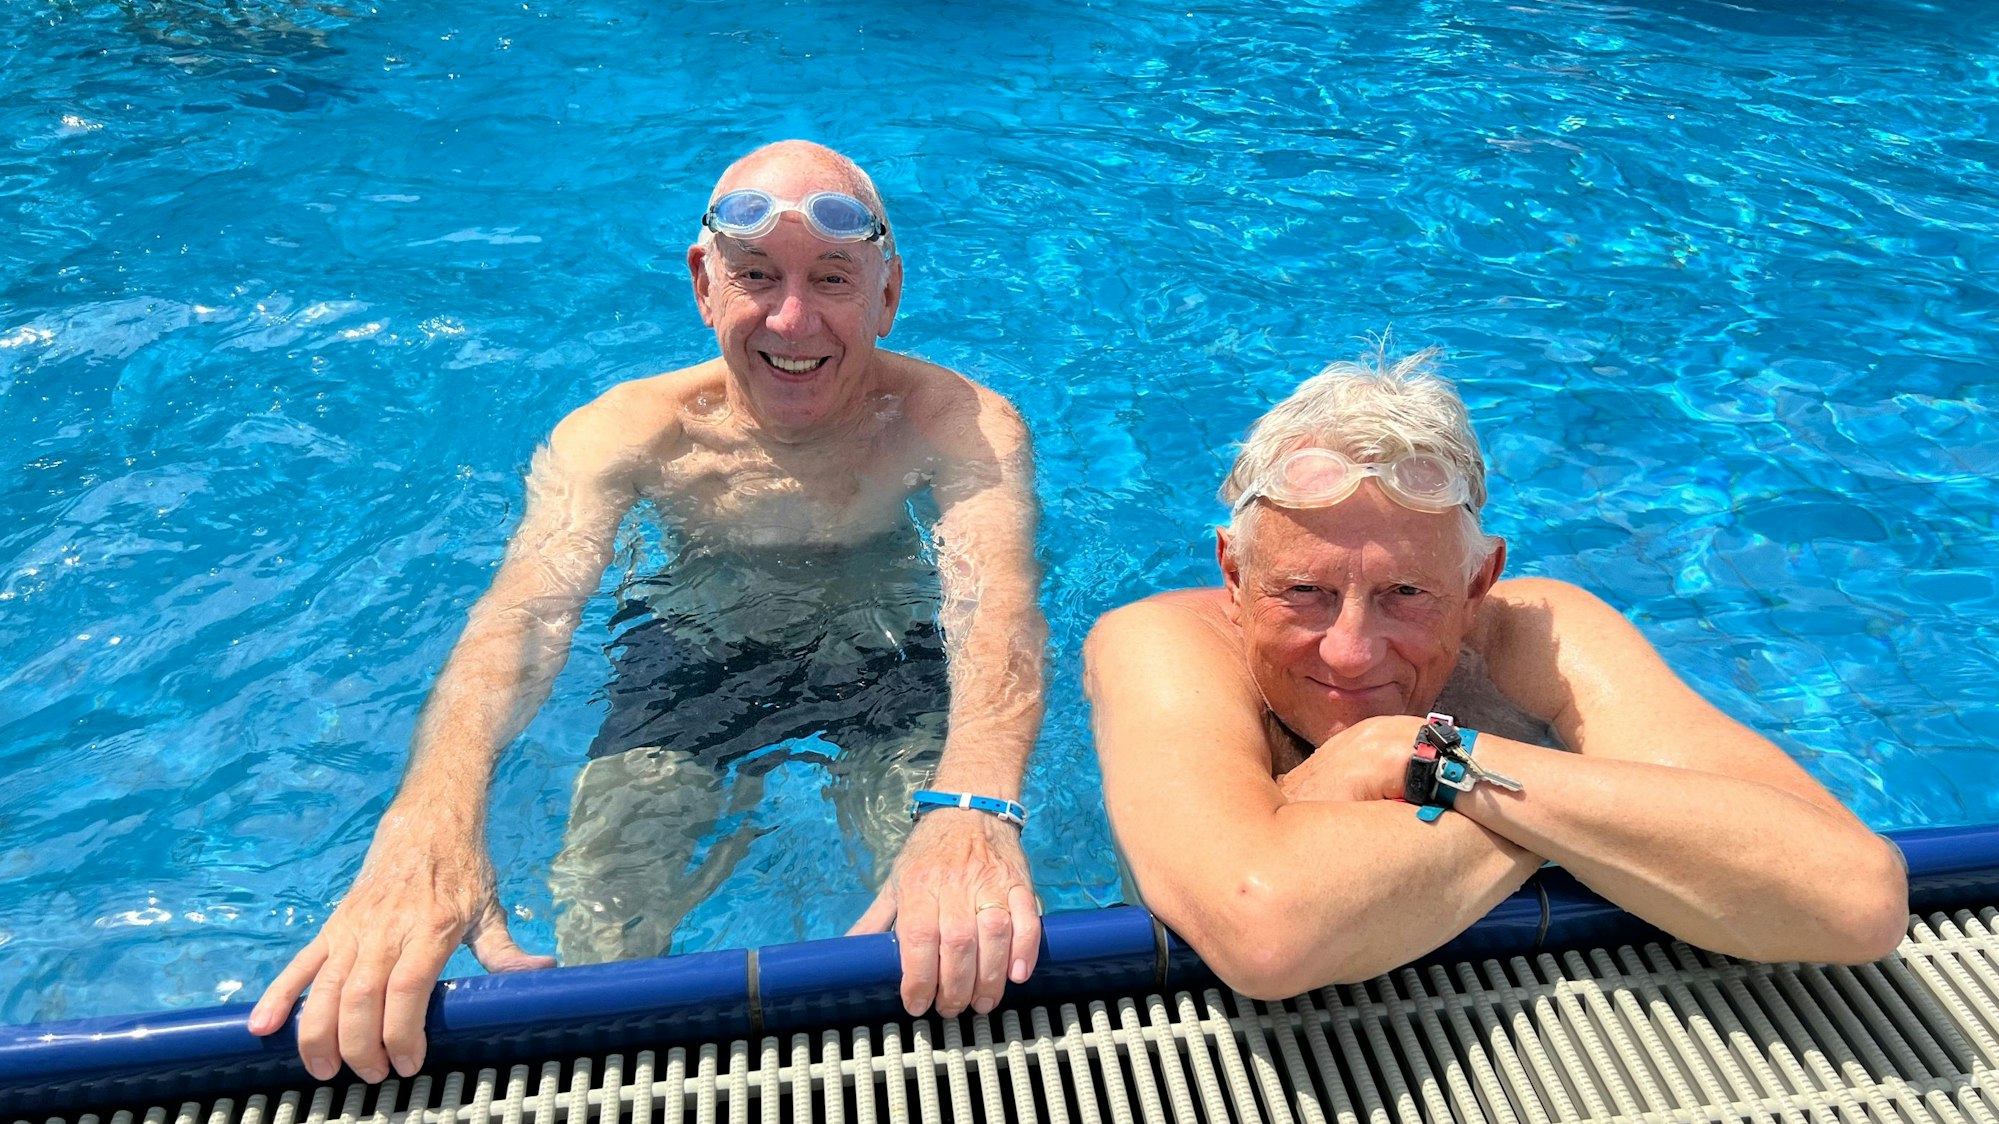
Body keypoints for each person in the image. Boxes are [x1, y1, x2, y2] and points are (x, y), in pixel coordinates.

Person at [249, 140, 1048, 1083]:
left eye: (831, 278)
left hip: (887, 652)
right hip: (693, 657)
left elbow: (996, 608)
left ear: (886, 294)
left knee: (962, 936)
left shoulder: (959, 422)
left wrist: (973, 804)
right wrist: (427, 822)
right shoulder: (621, 433)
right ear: (704, 285)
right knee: (599, 929)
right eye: (756, 276)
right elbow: (523, 621)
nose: (793, 319)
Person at [1082, 346, 1908, 1000]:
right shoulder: (1161, 644)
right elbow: (1267, 935)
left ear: (1479, 585)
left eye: (1406, 594)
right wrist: (1575, 816)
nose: (1350, 650)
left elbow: (1854, 899)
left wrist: (1428, 759)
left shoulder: (1538, 633)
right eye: (1303, 591)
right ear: (1231, 574)